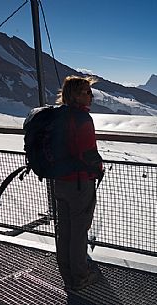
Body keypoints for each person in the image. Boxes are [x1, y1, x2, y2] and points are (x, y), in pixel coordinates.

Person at [54, 75, 103, 291]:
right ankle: (81, 276)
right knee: (79, 230)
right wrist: (98, 168)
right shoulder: (83, 119)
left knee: (64, 229)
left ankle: (66, 270)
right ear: (75, 95)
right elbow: (87, 153)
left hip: (61, 181)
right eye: (87, 92)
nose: (91, 96)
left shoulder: (57, 116)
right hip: (79, 183)